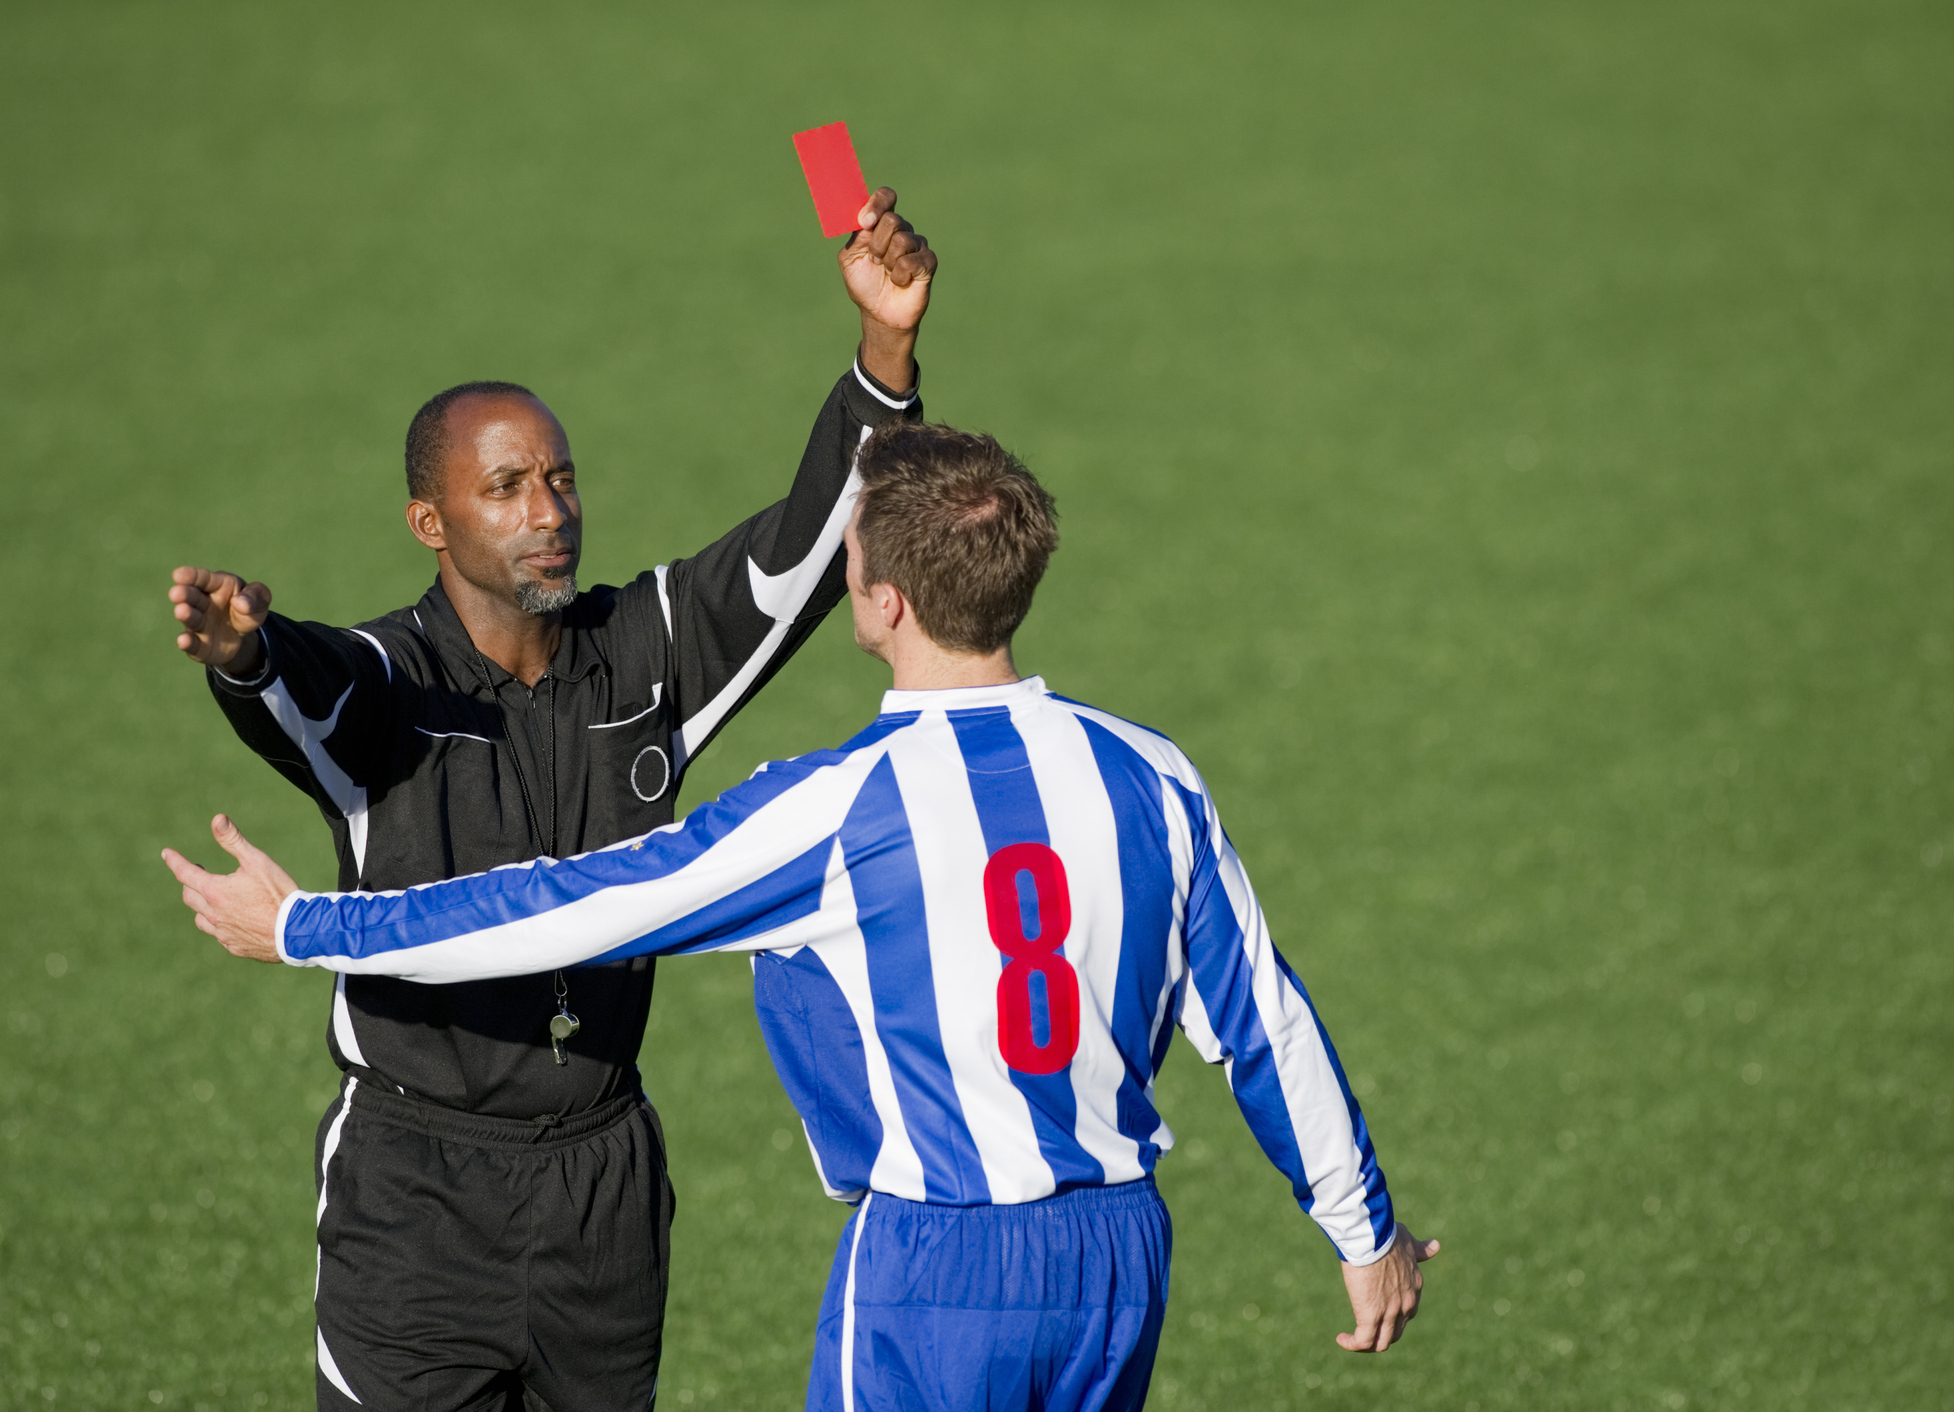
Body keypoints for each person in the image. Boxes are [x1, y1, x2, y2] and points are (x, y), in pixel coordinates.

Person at [165, 421, 1439, 1412]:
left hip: (932, 1270)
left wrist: (309, 925)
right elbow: (1262, 1016)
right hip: (1118, 1255)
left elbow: (570, 906)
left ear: (878, 599)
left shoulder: (832, 808)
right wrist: (1362, 1228)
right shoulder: (1153, 774)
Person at [162, 187, 938, 1411]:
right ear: (432, 520)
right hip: (416, 1197)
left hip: (604, 1190)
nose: (550, 512)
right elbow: (306, 683)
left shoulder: (647, 648)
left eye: (562, 480)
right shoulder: (387, 684)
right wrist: (246, 652)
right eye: (509, 487)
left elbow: (799, 561)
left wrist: (882, 353)